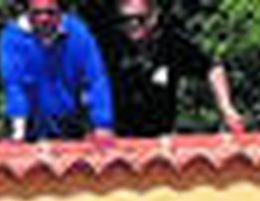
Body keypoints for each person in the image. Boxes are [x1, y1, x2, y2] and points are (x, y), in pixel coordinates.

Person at [99, 0, 245, 137]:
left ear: (153, 18)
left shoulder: (171, 43)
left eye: (140, 19)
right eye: (125, 20)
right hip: (117, 136)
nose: (133, 25)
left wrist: (226, 108)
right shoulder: (110, 46)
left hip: (160, 136)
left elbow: (212, 68)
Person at [0, 0, 114, 143]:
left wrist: (102, 123)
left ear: (60, 12)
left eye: (50, 12)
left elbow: (96, 79)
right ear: (27, 12)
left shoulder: (78, 33)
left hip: (71, 120)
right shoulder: (13, 37)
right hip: (31, 122)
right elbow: (14, 84)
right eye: (37, 13)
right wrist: (18, 132)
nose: (44, 19)